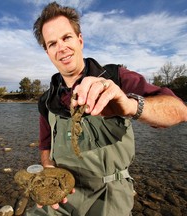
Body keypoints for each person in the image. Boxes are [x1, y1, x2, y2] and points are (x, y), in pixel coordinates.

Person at [27, 2, 187, 216]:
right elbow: (46, 147)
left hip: (110, 192)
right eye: (52, 43)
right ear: (47, 52)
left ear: (80, 40)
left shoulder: (117, 77)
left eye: (66, 38)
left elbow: (179, 111)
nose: (61, 48)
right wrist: (48, 173)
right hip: (64, 191)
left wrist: (129, 105)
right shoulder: (46, 101)